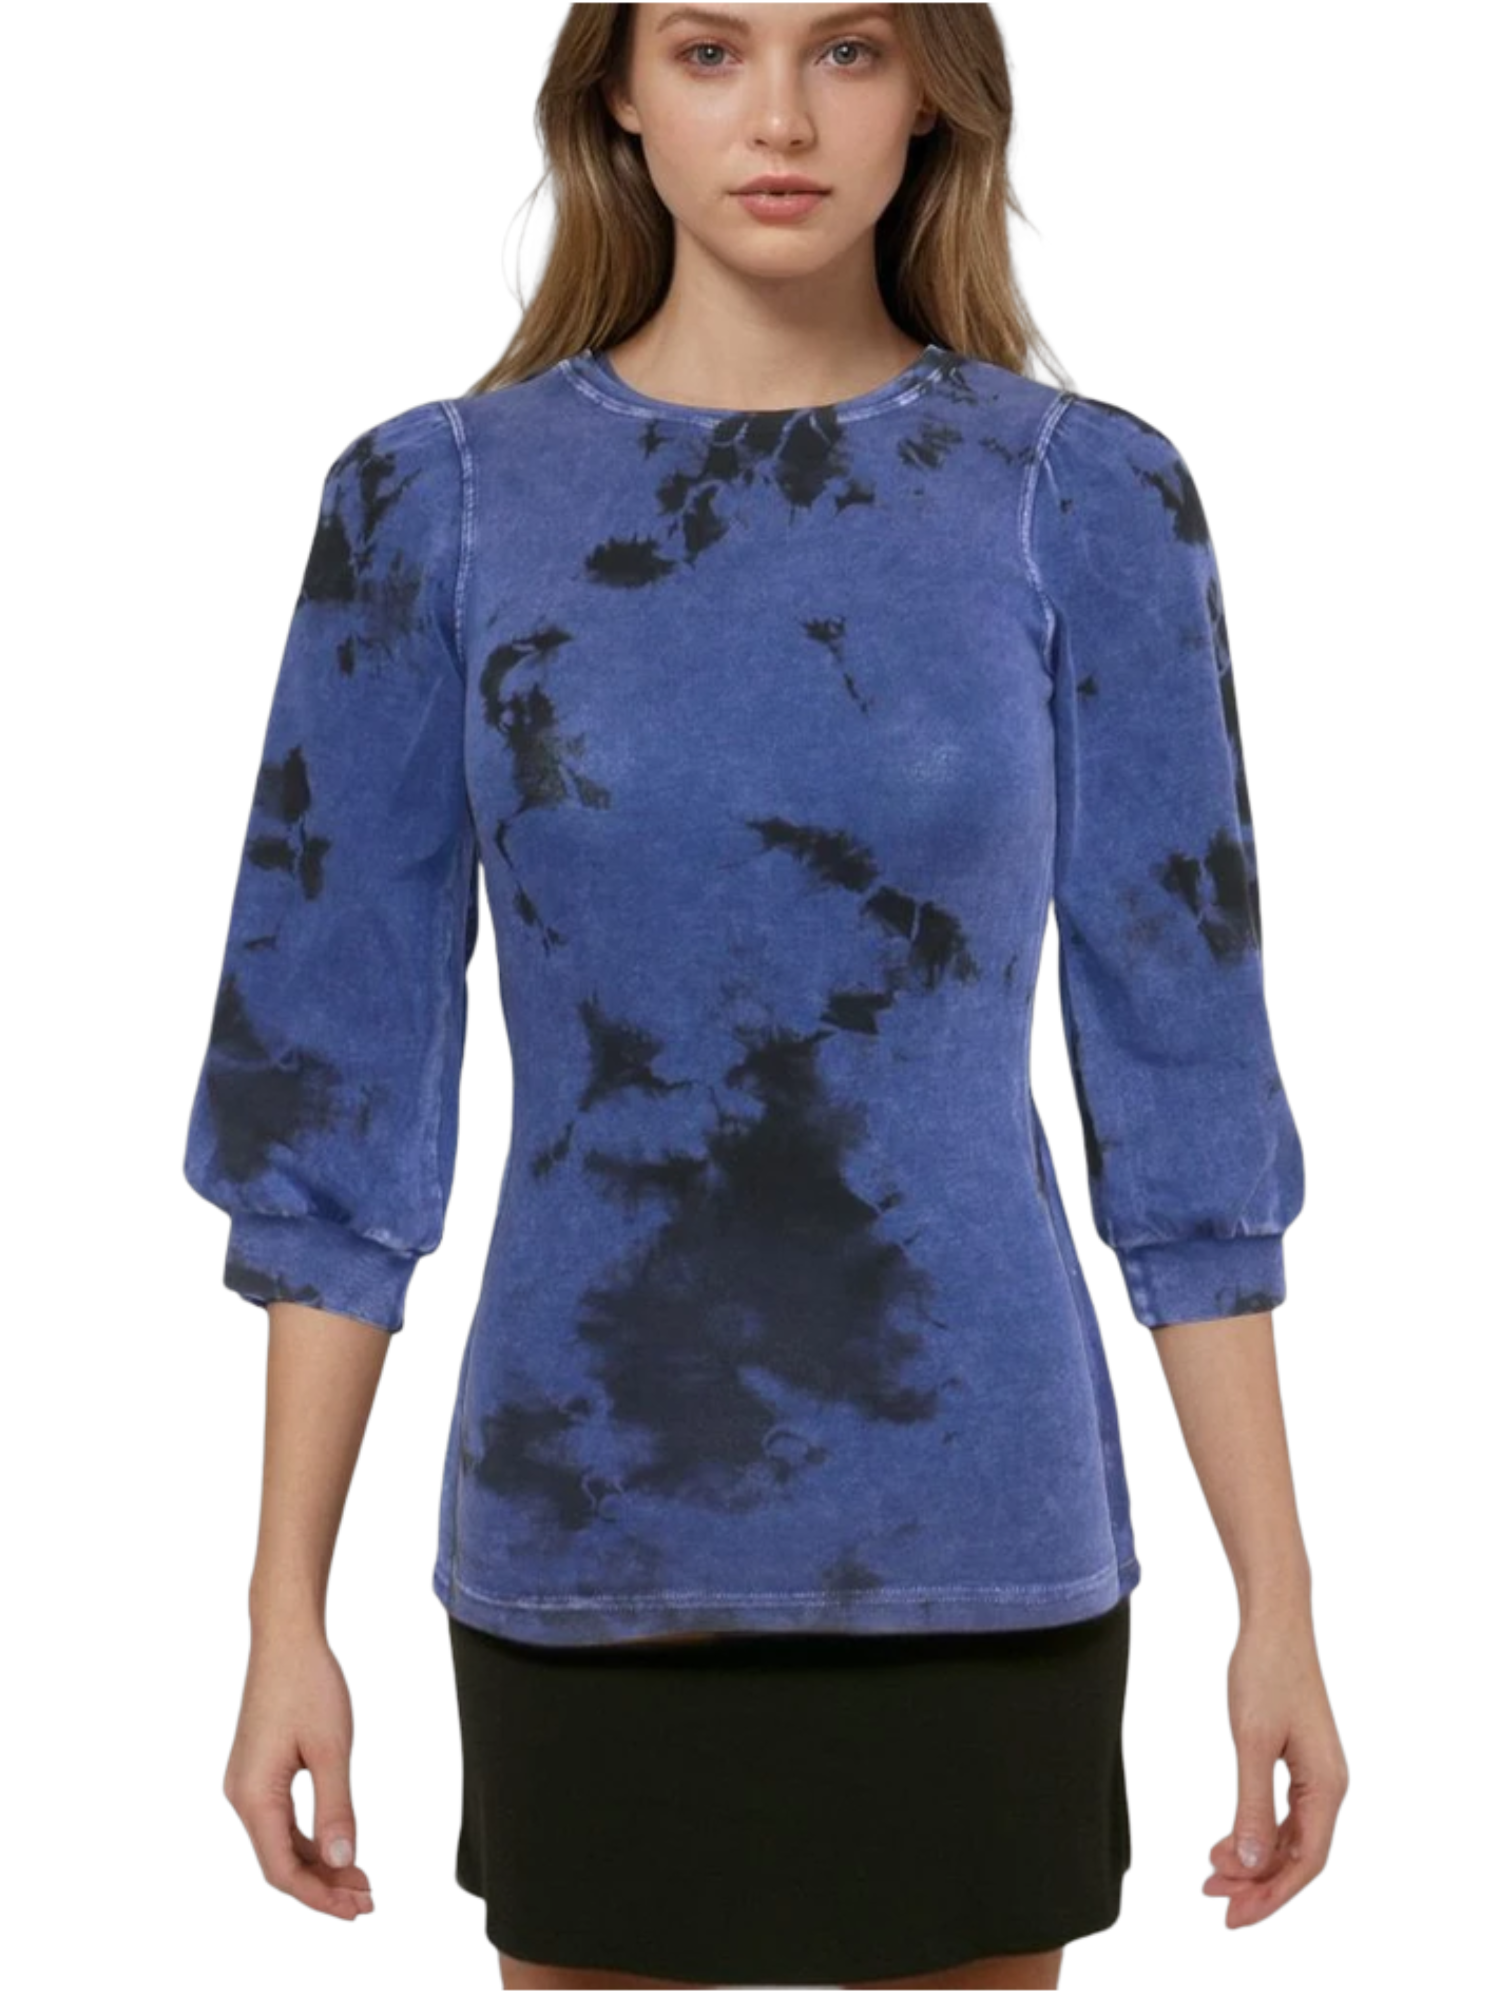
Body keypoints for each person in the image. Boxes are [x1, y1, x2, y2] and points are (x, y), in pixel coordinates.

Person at [183, 4, 1349, 1989]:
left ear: (936, 96)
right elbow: (330, 1110)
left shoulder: (1084, 498)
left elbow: (1192, 1099)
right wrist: (280, 1615)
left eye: (853, 49)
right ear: (619, 97)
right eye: (714, 50)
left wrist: (1281, 1606)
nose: (785, 117)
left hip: (982, 1537)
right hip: (587, 1532)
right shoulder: (432, 504)